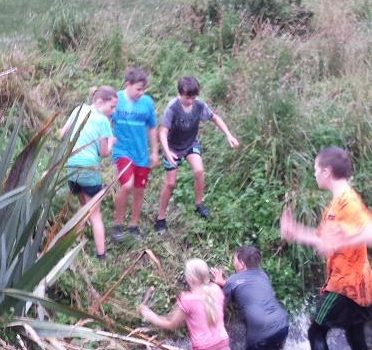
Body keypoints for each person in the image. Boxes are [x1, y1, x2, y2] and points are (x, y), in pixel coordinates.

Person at [280, 147, 372, 350]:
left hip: (345, 285)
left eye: (316, 169)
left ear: (326, 172)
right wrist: (295, 232)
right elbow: (324, 242)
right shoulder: (337, 204)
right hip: (361, 284)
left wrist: (344, 240)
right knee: (355, 334)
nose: (314, 174)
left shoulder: (348, 202)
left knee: (316, 333)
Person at [154, 76, 239, 232]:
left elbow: (215, 118)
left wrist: (229, 135)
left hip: (190, 143)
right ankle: (160, 217)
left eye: (193, 97)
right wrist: (167, 152)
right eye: (188, 98)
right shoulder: (172, 108)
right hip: (172, 147)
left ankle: (198, 204)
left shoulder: (199, 105)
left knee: (199, 171)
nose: (191, 101)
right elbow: (162, 132)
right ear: (179, 94)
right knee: (170, 183)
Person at [138, 258, 232, 350]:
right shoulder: (216, 289)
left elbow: (171, 325)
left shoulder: (187, 299)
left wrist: (148, 314)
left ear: (191, 279)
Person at [211, 245, 289, 350]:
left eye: (234, 260)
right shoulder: (263, 275)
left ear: (241, 264)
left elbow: (221, 307)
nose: (233, 263)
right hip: (282, 324)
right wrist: (225, 282)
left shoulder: (233, 280)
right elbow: (247, 286)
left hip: (260, 332)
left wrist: (215, 324)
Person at [60, 86, 118, 259]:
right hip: (88, 169)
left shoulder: (78, 109)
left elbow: (62, 134)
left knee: (83, 206)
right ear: (100, 101)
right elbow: (104, 152)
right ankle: (101, 254)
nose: (113, 111)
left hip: (71, 167)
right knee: (95, 213)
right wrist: (111, 142)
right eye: (112, 106)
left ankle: (75, 244)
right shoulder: (103, 121)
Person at [111, 67, 159, 241]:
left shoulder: (147, 103)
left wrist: (154, 151)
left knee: (139, 190)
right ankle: (117, 224)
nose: (141, 92)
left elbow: (152, 127)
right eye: (138, 89)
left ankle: (133, 225)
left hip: (141, 154)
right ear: (127, 85)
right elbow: (104, 120)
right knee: (127, 185)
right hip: (122, 151)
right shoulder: (115, 100)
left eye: (143, 89)